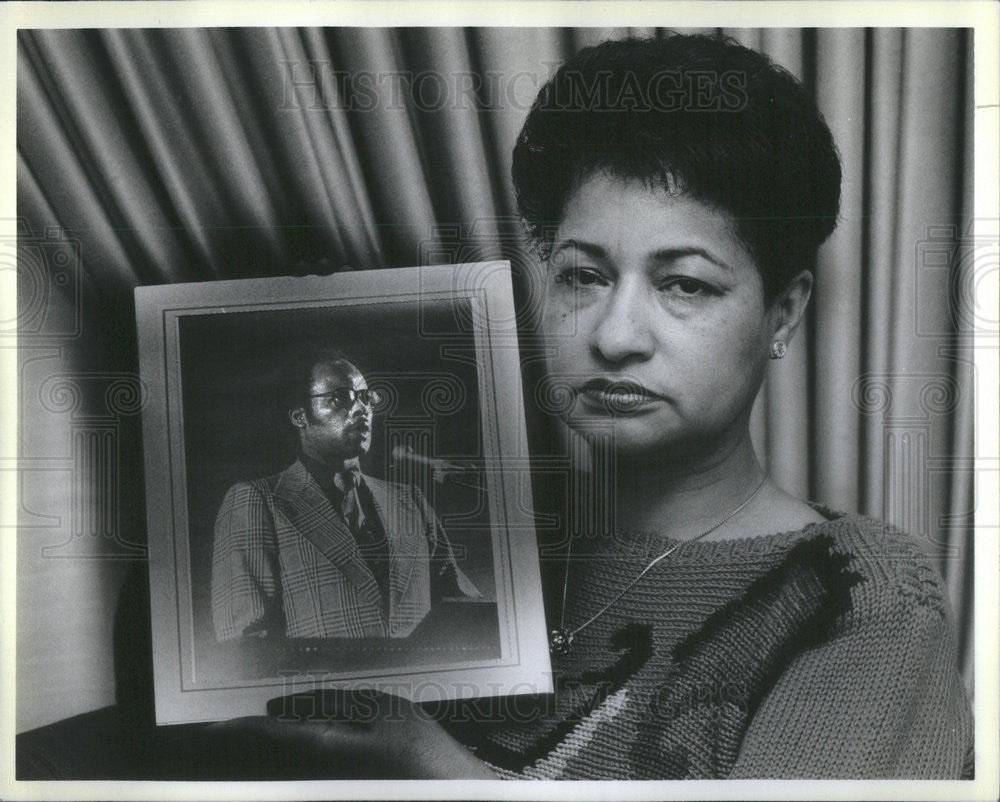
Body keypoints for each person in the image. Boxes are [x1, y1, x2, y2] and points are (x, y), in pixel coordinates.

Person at [210, 34, 974, 779]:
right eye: (583, 276)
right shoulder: (494, 543)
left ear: (783, 314)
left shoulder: (862, 596)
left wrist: (431, 763)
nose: (614, 336)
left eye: (685, 284)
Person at [210, 348, 479, 641]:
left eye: (366, 397)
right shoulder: (257, 500)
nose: (361, 409)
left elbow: (464, 609)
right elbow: (246, 640)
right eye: (340, 398)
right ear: (300, 416)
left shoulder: (410, 500)